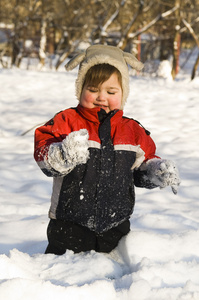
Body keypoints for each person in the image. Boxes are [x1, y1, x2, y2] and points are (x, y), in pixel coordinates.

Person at [34, 44, 180, 255]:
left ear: (123, 94)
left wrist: (156, 171)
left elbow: (143, 165)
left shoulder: (132, 131)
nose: (101, 97)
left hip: (116, 229)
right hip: (68, 227)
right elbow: (43, 153)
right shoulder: (67, 121)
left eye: (111, 91)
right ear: (80, 89)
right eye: (92, 90)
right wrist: (62, 154)